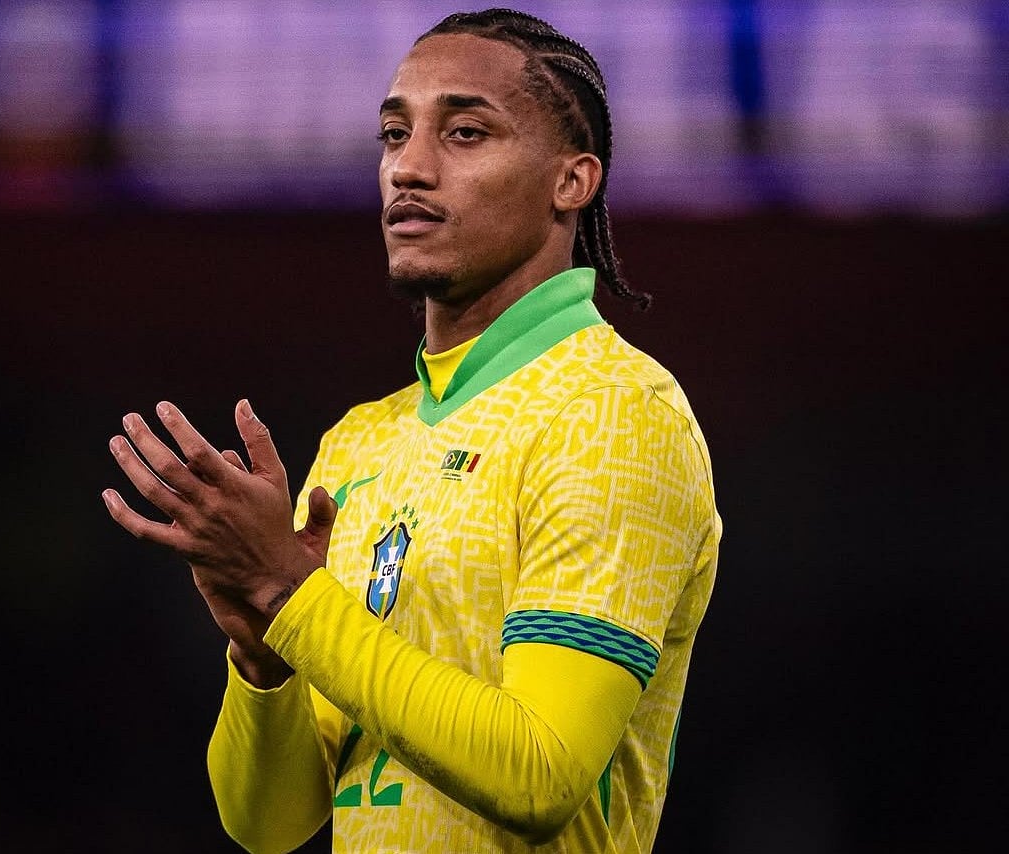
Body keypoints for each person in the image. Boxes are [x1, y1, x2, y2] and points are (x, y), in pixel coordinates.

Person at [103, 9, 720, 853]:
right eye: (395, 134)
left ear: (571, 182)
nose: (409, 167)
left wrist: (292, 596)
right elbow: (269, 825)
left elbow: (540, 774)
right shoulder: (360, 442)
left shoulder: (613, 413)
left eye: (465, 133)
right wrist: (264, 657)